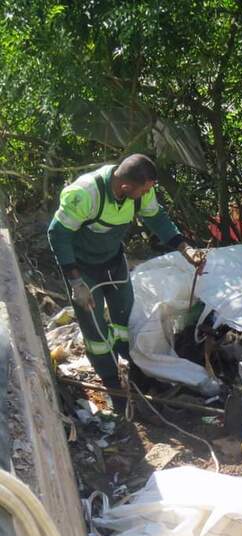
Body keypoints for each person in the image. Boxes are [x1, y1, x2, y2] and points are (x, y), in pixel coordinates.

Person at [47, 154, 205, 411]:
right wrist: (76, 282)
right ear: (125, 187)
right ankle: (112, 385)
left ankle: (136, 371)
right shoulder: (86, 194)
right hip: (83, 270)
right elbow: (58, 234)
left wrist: (183, 247)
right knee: (95, 329)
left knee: (126, 318)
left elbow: (156, 217)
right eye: (144, 189)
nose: (147, 194)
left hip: (114, 262)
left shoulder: (140, 191)